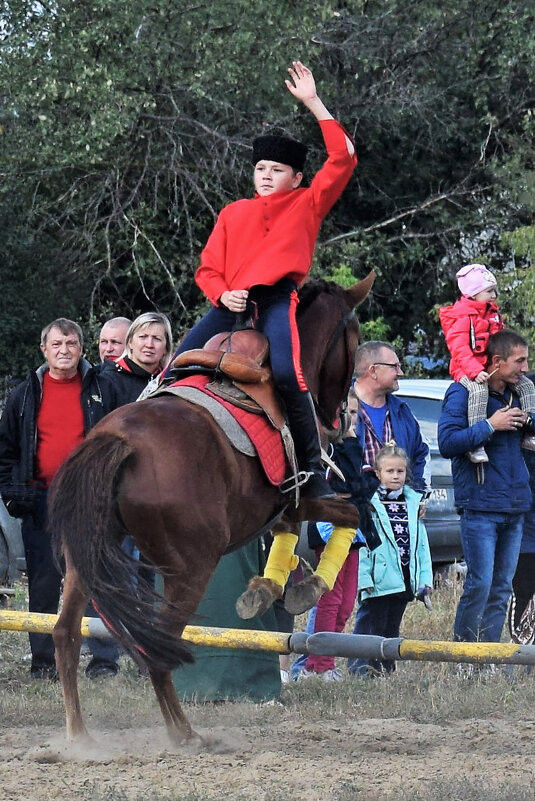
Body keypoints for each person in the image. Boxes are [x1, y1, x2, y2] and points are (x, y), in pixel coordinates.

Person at [167, 60, 357, 502]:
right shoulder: (234, 212)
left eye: (276, 170)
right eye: (260, 169)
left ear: (297, 177)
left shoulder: (308, 203)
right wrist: (221, 293)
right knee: (174, 364)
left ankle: (312, 472)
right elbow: (207, 267)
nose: (267, 176)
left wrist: (313, 102)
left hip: (275, 303)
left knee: (291, 375)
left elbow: (344, 157)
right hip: (228, 305)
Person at [0, 318, 119, 679]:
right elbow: (5, 451)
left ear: (82, 349)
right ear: (44, 350)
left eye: (71, 344)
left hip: (90, 499)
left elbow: (120, 441)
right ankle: (43, 663)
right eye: (57, 345)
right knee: (43, 583)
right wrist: (14, 493)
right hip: (42, 500)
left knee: (97, 578)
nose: (64, 351)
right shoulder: (24, 395)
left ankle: (103, 662)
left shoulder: (103, 387)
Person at [438, 329, 534, 644]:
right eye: (519, 360)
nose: (525, 367)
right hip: (480, 506)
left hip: (515, 505)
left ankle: (489, 656)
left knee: (502, 587)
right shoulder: (462, 392)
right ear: (497, 360)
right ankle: (465, 655)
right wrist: (492, 424)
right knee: (479, 584)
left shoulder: (520, 393)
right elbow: (448, 442)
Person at [298, 389, 378, 681]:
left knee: (346, 601)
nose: (351, 419)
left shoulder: (359, 443)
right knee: (329, 597)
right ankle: (319, 665)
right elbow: (343, 483)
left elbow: (365, 484)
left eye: (355, 413)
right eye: (345, 413)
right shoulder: (326, 447)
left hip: (353, 526)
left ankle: (324, 659)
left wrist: (363, 482)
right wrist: (358, 484)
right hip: (329, 523)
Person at [439, 263, 535, 463]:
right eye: (489, 291)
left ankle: (529, 435)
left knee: (527, 385)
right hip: (467, 370)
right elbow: (459, 349)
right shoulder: (463, 317)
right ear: (473, 294)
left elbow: (501, 341)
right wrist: (474, 371)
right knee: (479, 391)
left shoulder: (492, 314)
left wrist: (527, 419)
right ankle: (476, 446)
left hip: (516, 489)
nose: (494, 295)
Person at [351, 444, 433, 677]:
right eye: (390, 471)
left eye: (400, 471)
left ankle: (388, 670)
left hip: (404, 579)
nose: (395, 476)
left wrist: (424, 579)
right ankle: (367, 670)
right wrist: (363, 578)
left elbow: (422, 547)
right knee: (373, 628)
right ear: (378, 473)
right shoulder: (370, 506)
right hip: (379, 580)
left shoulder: (413, 504)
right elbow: (364, 545)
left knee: (392, 627)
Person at [352, 341, 430, 492]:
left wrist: (417, 495)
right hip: (354, 510)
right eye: (394, 366)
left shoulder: (402, 411)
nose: (400, 372)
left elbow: (421, 455)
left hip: (397, 511)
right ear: (373, 371)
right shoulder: (341, 409)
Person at [102, 312, 173, 405]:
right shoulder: (107, 380)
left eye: (157, 339)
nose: (149, 345)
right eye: (143, 337)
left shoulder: (169, 383)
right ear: (130, 342)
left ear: (166, 348)